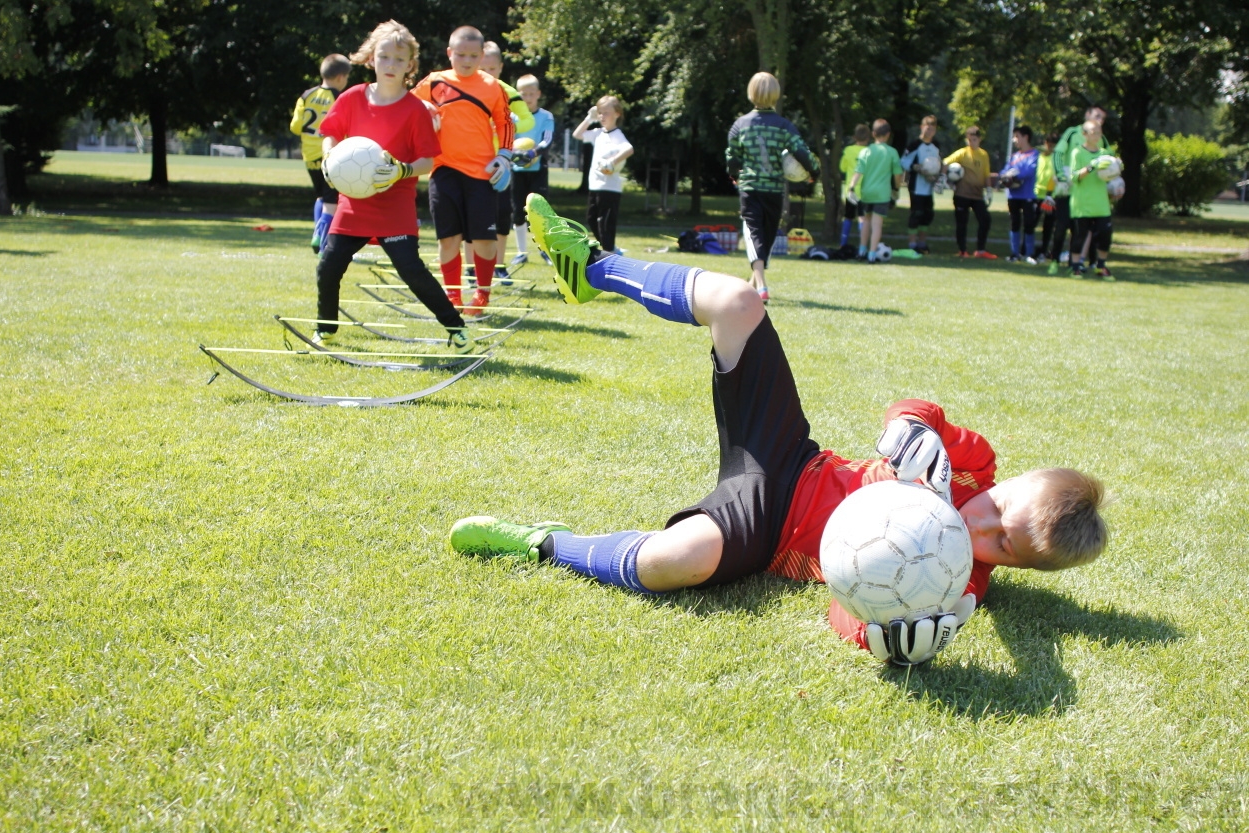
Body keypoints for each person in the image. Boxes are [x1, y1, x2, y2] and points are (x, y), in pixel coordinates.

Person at [450, 193, 1109, 666]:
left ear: (1018, 567)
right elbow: (918, 407)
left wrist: (885, 641)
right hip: (790, 458)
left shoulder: (957, 582)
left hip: (764, 529)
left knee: (671, 560)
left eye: (1005, 546)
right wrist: (912, 427)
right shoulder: (976, 466)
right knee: (740, 303)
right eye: (998, 512)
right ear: (1011, 482)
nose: (983, 528)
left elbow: (850, 604)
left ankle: (544, 543)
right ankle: (592, 268)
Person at [313, 20, 470, 353]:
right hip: (353, 203)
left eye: (399, 60)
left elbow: (428, 162)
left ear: (410, 65)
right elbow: (331, 134)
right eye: (384, 57)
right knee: (328, 266)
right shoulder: (353, 98)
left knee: (411, 270)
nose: (391, 65)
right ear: (372, 58)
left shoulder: (415, 110)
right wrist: (329, 158)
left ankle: (456, 329)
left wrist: (402, 170)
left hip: (394, 206)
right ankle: (325, 328)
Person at [413, 26, 515, 316]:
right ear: (449, 53)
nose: (466, 60)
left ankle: (481, 295)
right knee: (449, 238)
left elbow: (506, 123)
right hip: (443, 170)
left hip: (483, 173)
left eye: (473, 55)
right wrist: (424, 110)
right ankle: (453, 296)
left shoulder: (492, 86)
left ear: (482, 56)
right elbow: (407, 104)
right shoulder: (434, 82)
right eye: (460, 54)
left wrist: (504, 156)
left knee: (484, 238)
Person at [724, 72, 819, 303]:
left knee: (756, 234)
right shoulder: (784, 126)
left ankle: (756, 284)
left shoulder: (740, 125)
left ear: (751, 93)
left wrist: (733, 174)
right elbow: (801, 151)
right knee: (765, 235)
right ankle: (761, 285)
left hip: (750, 187)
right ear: (776, 95)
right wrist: (813, 173)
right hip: (775, 190)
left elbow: (732, 155)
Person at [467, 41, 536, 284]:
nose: (487, 74)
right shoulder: (465, 88)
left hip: (501, 164)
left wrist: (515, 121)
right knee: (471, 218)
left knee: (501, 215)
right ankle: (470, 268)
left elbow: (529, 122)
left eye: (493, 69)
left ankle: (499, 264)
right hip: (471, 162)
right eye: (482, 68)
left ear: (501, 68)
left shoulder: (507, 91)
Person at [290, 54, 351, 254]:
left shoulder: (306, 95)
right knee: (332, 201)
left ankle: (318, 234)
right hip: (329, 154)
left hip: (309, 155)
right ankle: (323, 242)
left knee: (320, 197)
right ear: (341, 77)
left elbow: (295, 126)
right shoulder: (339, 98)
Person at [1048, 105, 1110, 274]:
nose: (1100, 120)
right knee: (1061, 227)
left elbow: (1110, 160)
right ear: (1087, 115)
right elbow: (1058, 153)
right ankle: (1054, 260)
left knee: (1080, 229)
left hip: (1086, 193)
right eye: (1097, 116)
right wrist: (1061, 175)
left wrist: (1114, 180)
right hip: (1068, 187)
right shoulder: (1072, 133)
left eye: (1103, 118)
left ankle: (1074, 264)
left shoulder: (1100, 138)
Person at [572, 95, 633, 256]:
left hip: (609, 188)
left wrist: (612, 162)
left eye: (606, 113)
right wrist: (589, 118)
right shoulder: (598, 133)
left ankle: (609, 252)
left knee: (606, 224)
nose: (602, 116)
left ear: (617, 114)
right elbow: (577, 134)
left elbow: (629, 149)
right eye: (600, 113)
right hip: (595, 185)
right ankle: (611, 249)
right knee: (592, 219)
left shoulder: (617, 135)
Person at [509, 74, 556, 266]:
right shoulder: (513, 116)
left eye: (531, 93)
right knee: (517, 211)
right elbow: (506, 140)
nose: (527, 97)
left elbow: (548, 140)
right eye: (523, 94)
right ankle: (521, 252)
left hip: (538, 169)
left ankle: (544, 250)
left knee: (538, 211)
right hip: (516, 171)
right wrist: (515, 153)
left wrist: (533, 153)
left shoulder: (546, 116)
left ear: (538, 94)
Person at [846, 119, 903, 264]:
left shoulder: (866, 151)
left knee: (865, 222)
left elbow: (858, 171)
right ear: (888, 135)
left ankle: (861, 250)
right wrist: (896, 187)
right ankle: (872, 254)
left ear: (873, 134)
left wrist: (852, 187)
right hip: (882, 193)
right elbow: (898, 175)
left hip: (866, 192)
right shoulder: (892, 152)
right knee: (877, 224)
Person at [1068, 120, 1117, 280]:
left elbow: (1111, 173)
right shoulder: (1078, 153)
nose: (1096, 135)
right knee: (1080, 235)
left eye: (1099, 132)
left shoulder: (1104, 153)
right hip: (1082, 203)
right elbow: (1074, 177)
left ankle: (1101, 266)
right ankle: (1075, 267)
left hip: (1101, 204)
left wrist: (1116, 168)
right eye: (1093, 132)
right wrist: (1091, 167)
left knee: (1105, 235)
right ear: (1084, 134)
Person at [943, 126, 995, 259]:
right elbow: (946, 162)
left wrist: (989, 190)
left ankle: (981, 250)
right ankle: (962, 250)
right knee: (962, 222)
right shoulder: (962, 153)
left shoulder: (983, 155)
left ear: (980, 140)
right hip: (962, 195)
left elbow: (987, 174)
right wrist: (942, 178)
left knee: (985, 220)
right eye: (969, 140)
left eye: (974, 140)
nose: (972, 143)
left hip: (977, 195)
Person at [899, 115, 942, 254]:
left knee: (927, 215)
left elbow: (938, 164)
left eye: (933, 128)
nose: (930, 131)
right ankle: (912, 244)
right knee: (916, 214)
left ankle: (922, 244)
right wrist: (916, 167)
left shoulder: (936, 146)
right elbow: (903, 161)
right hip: (916, 186)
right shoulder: (915, 145)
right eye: (927, 128)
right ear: (922, 127)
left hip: (929, 187)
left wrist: (935, 175)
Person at [1001, 125, 1040, 263]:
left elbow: (1029, 171)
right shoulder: (1014, 157)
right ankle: (1014, 253)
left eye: (1017, 136)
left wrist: (1015, 176)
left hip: (1028, 195)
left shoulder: (1035, 155)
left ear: (1026, 137)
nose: (1014, 140)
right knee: (1014, 223)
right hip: (1013, 195)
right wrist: (1004, 177)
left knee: (1029, 224)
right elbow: (1004, 171)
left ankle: (1029, 254)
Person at [838, 124, 871, 249]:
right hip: (865, 190)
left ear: (854, 137)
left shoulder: (848, 150)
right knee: (862, 218)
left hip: (850, 190)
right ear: (868, 138)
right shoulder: (870, 152)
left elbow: (842, 167)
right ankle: (863, 245)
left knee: (848, 217)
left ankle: (843, 243)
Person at [1034, 132, 1059, 263]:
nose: (1051, 148)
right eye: (1049, 145)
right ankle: (1028, 250)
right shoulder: (1039, 156)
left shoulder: (1057, 158)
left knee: (1048, 225)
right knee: (1031, 222)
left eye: (1053, 146)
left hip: (1050, 195)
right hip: (1037, 194)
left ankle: (1044, 250)